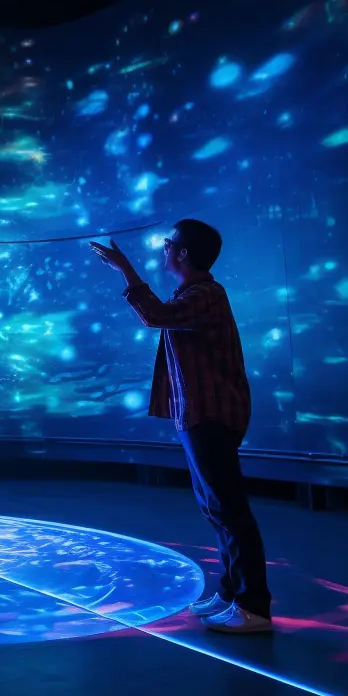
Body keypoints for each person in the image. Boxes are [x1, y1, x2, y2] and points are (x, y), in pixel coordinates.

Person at [89, 219, 272, 634]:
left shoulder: (205, 294)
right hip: (198, 415)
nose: (164, 248)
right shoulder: (194, 293)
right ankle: (231, 592)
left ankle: (253, 606)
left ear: (184, 254)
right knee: (215, 508)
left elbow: (155, 316)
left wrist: (125, 268)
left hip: (211, 414)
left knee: (229, 510)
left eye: (169, 243)